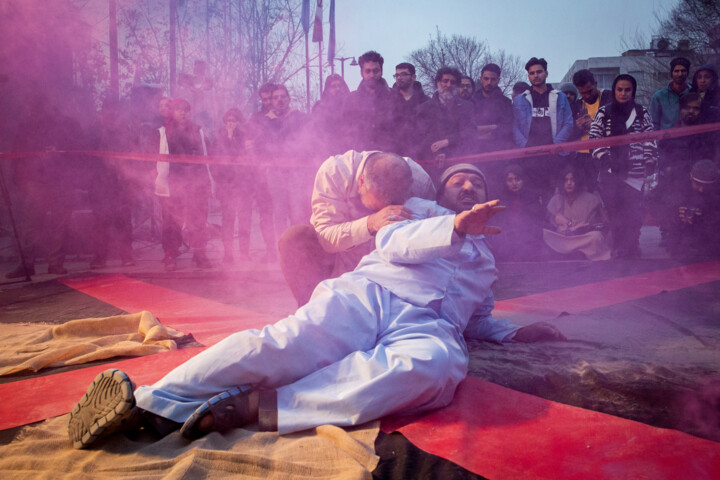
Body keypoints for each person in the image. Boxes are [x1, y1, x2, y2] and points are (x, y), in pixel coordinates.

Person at [68, 163, 566, 449]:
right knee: (286, 343)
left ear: (489, 196)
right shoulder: (416, 212)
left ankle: (257, 409)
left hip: (428, 327)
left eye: (477, 183)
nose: (468, 187)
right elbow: (392, 246)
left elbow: (478, 317)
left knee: (434, 371)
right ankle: (147, 402)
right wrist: (453, 227)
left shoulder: (487, 260)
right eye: (459, 180)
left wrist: (515, 332)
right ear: (442, 190)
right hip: (370, 294)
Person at [278, 150, 435, 306]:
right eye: (375, 206)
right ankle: (310, 310)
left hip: (390, 273)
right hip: (338, 265)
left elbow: (430, 239)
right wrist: (371, 222)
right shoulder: (335, 172)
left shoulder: (420, 182)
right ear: (361, 182)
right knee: (295, 238)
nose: (384, 213)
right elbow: (326, 238)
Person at [589, 74, 658, 258]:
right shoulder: (604, 112)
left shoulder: (642, 112)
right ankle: (619, 247)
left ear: (633, 91)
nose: (623, 93)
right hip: (610, 173)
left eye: (627, 90)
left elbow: (650, 137)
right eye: (619, 89)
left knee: (634, 216)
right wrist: (604, 157)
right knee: (615, 214)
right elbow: (594, 137)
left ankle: (633, 246)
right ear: (614, 90)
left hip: (635, 174)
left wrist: (650, 159)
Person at [155, 98, 212, 270]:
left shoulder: (198, 131)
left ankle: (199, 253)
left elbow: (207, 155)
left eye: (186, 109)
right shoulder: (162, 132)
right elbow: (153, 157)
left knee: (198, 220)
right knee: (171, 222)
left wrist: (207, 181)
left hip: (196, 183)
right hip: (172, 183)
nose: (183, 112)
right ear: (172, 112)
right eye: (179, 109)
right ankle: (170, 255)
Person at [513, 57, 574, 195]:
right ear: (528, 76)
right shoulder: (520, 99)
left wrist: (556, 144)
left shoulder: (559, 97)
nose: (536, 75)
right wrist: (524, 144)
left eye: (539, 72)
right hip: (529, 156)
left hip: (554, 156)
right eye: (532, 73)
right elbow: (514, 125)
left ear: (546, 73)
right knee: (530, 195)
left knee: (554, 194)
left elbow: (568, 123)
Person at [414, 67, 476, 182]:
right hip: (431, 166)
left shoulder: (467, 107)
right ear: (438, 83)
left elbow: (469, 132)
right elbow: (421, 136)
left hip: (459, 164)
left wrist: (447, 142)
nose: (448, 85)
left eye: (453, 82)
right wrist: (437, 151)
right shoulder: (424, 108)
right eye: (445, 81)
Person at [543, 167, 611, 261]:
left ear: (578, 181)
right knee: (546, 234)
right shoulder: (556, 200)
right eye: (566, 180)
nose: (569, 183)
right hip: (563, 239)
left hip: (583, 238)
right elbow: (550, 225)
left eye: (572, 179)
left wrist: (578, 226)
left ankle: (581, 252)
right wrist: (565, 227)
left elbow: (603, 224)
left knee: (596, 237)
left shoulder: (591, 199)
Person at [664, 159, 720, 258]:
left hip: (712, 242)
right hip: (683, 243)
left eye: (706, 186)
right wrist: (677, 214)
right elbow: (660, 211)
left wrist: (706, 215)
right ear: (691, 177)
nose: (701, 189)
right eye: (698, 185)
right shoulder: (678, 187)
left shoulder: (717, 190)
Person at [341, 51, 395, 152]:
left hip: (388, 157)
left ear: (381, 71)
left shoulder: (394, 97)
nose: (372, 75)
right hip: (359, 157)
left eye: (376, 71)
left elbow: (401, 130)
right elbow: (345, 130)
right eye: (368, 71)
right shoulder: (351, 100)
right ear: (362, 73)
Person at [489, 164, 545, 262]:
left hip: (529, 244)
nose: (514, 183)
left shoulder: (533, 199)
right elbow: (498, 225)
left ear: (523, 180)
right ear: (505, 182)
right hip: (506, 244)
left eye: (517, 179)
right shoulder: (500, 201)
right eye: (510, 180)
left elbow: (538, 223)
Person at [571, 69, 613, 190]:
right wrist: (577, 127)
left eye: (589, 91)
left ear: (596, 83)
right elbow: (569, 134)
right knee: (584, 192)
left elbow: (618, 123)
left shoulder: (609, 98)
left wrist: (595, 124)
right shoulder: (576, 105)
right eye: (582, 93)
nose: (587, 95)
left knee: (605, 191)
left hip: (604, 153)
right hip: (581, 156)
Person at [390, 62, 429, 157]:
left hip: (421, 156)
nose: (399, 78)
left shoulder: (426, 102)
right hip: (394, 155)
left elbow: (431, 130)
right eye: (397, 75)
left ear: (413, 77)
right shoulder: (388, 101)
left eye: (403, 74)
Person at [312, 74, 350, 158]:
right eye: (333, 86)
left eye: (340, 86)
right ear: (328, 89)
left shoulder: (351, 105)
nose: (337, 89)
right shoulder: (320, 108)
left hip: (348, 152)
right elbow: (316, 132)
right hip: (327, 152)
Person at [650, 57, 691, 131]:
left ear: (687, 72)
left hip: (689, 139)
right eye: (676, 71)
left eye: (683, 71)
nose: (680, 74)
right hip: (667, 140)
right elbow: (654, 123)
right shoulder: (659, 96)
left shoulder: (693, 93)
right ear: (671, 73)